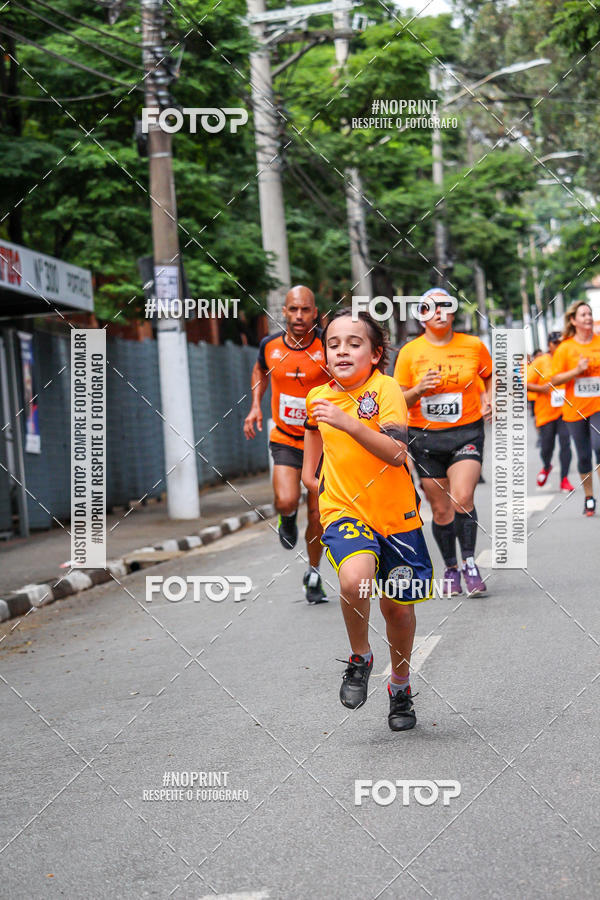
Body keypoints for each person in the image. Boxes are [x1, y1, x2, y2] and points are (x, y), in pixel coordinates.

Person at [302, 309, 433, 732]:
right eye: (334, 343)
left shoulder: (387, 388)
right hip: (345, 510)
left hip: (397, 518)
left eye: (354, 343)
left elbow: (397, 453)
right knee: (352, 577)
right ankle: (360, 657)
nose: (342, 350)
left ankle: (399, 686)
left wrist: (349, 423)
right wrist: (310, 472)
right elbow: (312, 429)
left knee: (396, 609)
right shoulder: (318, 396)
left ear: (375, 354)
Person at [393, 288, 492, 597]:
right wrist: (420, 388)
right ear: (422, 314)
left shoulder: (473, 346)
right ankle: (451, 568)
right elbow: (398, 400)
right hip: (425, 438)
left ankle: (470, 563)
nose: (440, 312)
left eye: (446, 307)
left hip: (466, 432)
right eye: (431, 308)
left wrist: (490, 397)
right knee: (440, 510)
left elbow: (489, 375)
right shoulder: (410, 352)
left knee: (462, 497)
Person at [243, 286, 329, 601]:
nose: (299, 316)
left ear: (315, 312)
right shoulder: (269, 346)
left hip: (321, 442)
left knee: (319, 514)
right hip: (286, 438)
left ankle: (314, 573)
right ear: (284, 312)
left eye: (305, 310)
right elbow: (259, 371)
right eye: (293, 309)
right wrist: (255, 405)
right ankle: (287, 517)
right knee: (286, 500)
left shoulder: (327, 346)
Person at [550, 300, 600, 515]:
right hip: (575, 410)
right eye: (583, 315)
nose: (588, 318)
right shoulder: (566, 347)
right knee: (583, 457)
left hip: (598, 406)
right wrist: (576, 371)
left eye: (589, 314)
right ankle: (589, 497)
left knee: (599, 446)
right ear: (573, 320)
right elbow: (555, 379)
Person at [527, 332, 574, 492]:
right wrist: (541, 388)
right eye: (555, 343)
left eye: (561, 343)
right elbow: (524, 383)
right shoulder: (541, 362)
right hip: (545, 412)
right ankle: (546, 466)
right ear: (549, 345)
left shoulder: (568, 360)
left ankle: (565, 479)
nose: (558, 346)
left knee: (565, 443)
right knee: (547, 446)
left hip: (565, 411)